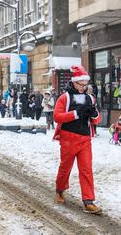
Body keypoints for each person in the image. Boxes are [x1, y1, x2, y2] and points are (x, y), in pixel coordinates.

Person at [53, 65, 102, 214]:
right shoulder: (65, 97)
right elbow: (57, 117)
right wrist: (75, 113)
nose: (83, 87)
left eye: (85, 85)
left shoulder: (90, 98)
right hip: (68, 138)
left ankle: (88, 201)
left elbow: (97, 120)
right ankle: (60, 190)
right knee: (65, 167)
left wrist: (93, 114)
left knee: (86, 170)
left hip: (85, 139)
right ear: (74, 82)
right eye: (80, 84)